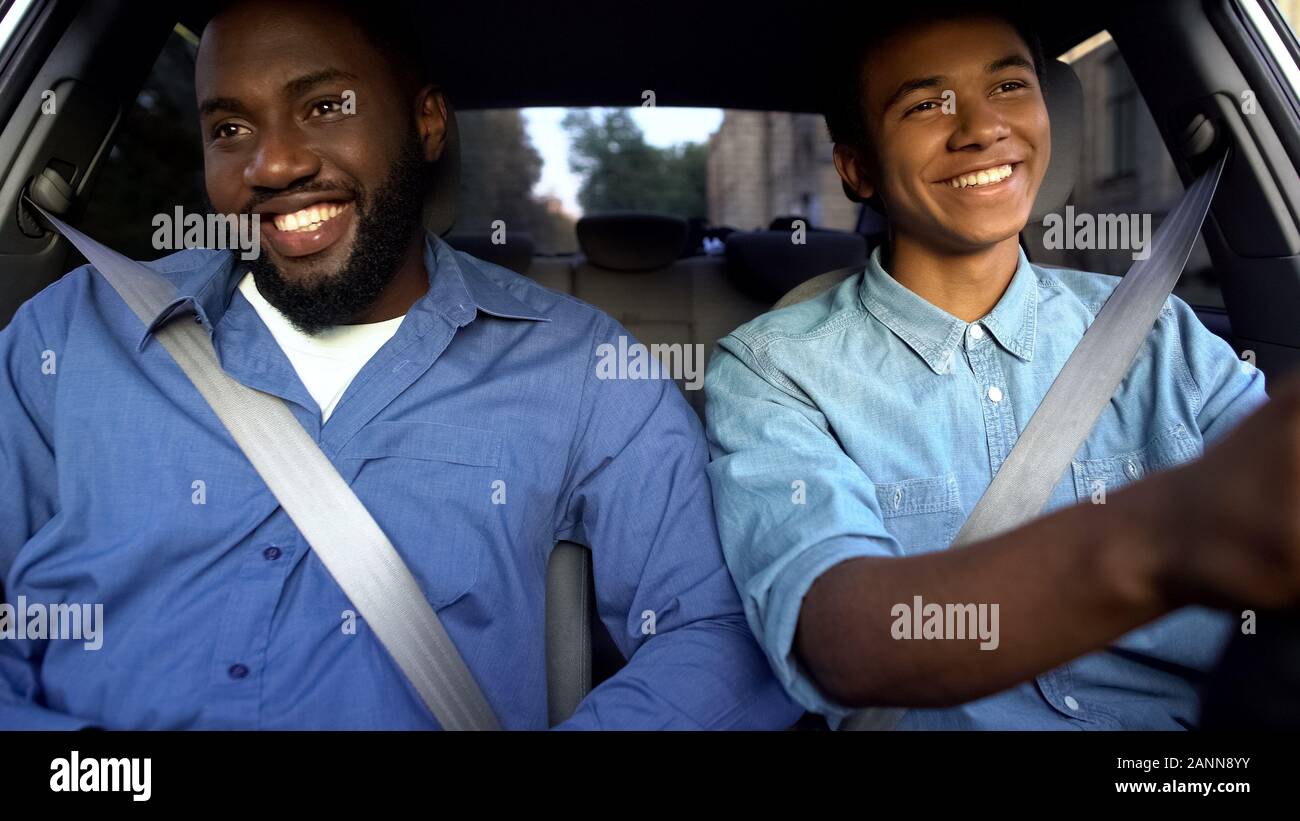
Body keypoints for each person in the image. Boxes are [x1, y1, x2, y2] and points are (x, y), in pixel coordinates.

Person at [0, 0, 801, 730]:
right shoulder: (70, 336)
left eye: (323, 108)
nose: (272, 166)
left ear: (425, 124)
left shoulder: (579, 367)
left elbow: (716, 626)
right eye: (230, 129)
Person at [705, 3, 1300, 728]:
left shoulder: (1160, 332)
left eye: (1011, 87)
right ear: (856, 168)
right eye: (926, 103)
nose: (982, 127)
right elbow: (838, 632)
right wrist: (1167, 531)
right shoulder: (775, 370)